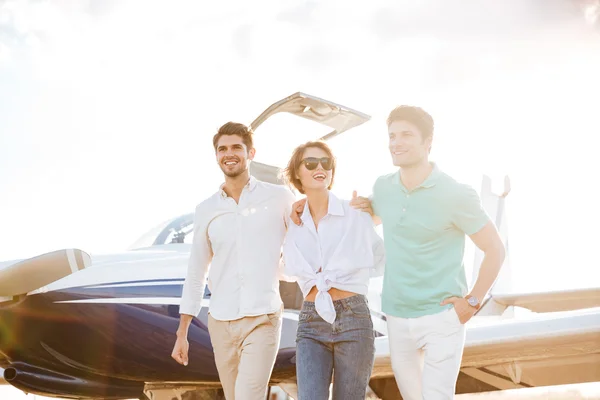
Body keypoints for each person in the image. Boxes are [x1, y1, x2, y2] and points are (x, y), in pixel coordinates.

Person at [291, 106, 506, 399]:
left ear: (428, 142)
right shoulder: (384, 188)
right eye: (392, 136)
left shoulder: (456, 193)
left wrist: (472, 301)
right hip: (397, 318)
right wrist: (305, 205)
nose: (396, 142)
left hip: (442, 315)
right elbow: (357, 220)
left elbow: (494, 249)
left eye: (406, 135)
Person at [172, 122, 296, 400]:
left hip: (262, 317)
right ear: (216, 156)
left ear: (250, 152)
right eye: (222, 149)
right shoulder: (206, 209)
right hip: (221, 321)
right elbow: (196, 271)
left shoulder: (279, 197)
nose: (229, 154)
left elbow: (303, 245)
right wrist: (182, 332)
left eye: (236, 147)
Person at [282, 140, 385, 400]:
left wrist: (373, 206)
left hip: (354, 317)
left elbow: (381, 259)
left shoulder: (355, 212)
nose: (320, 167)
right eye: (311, 162)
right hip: (310, 321)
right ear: (297, 173)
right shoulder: (292, 221)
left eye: (326, 163)